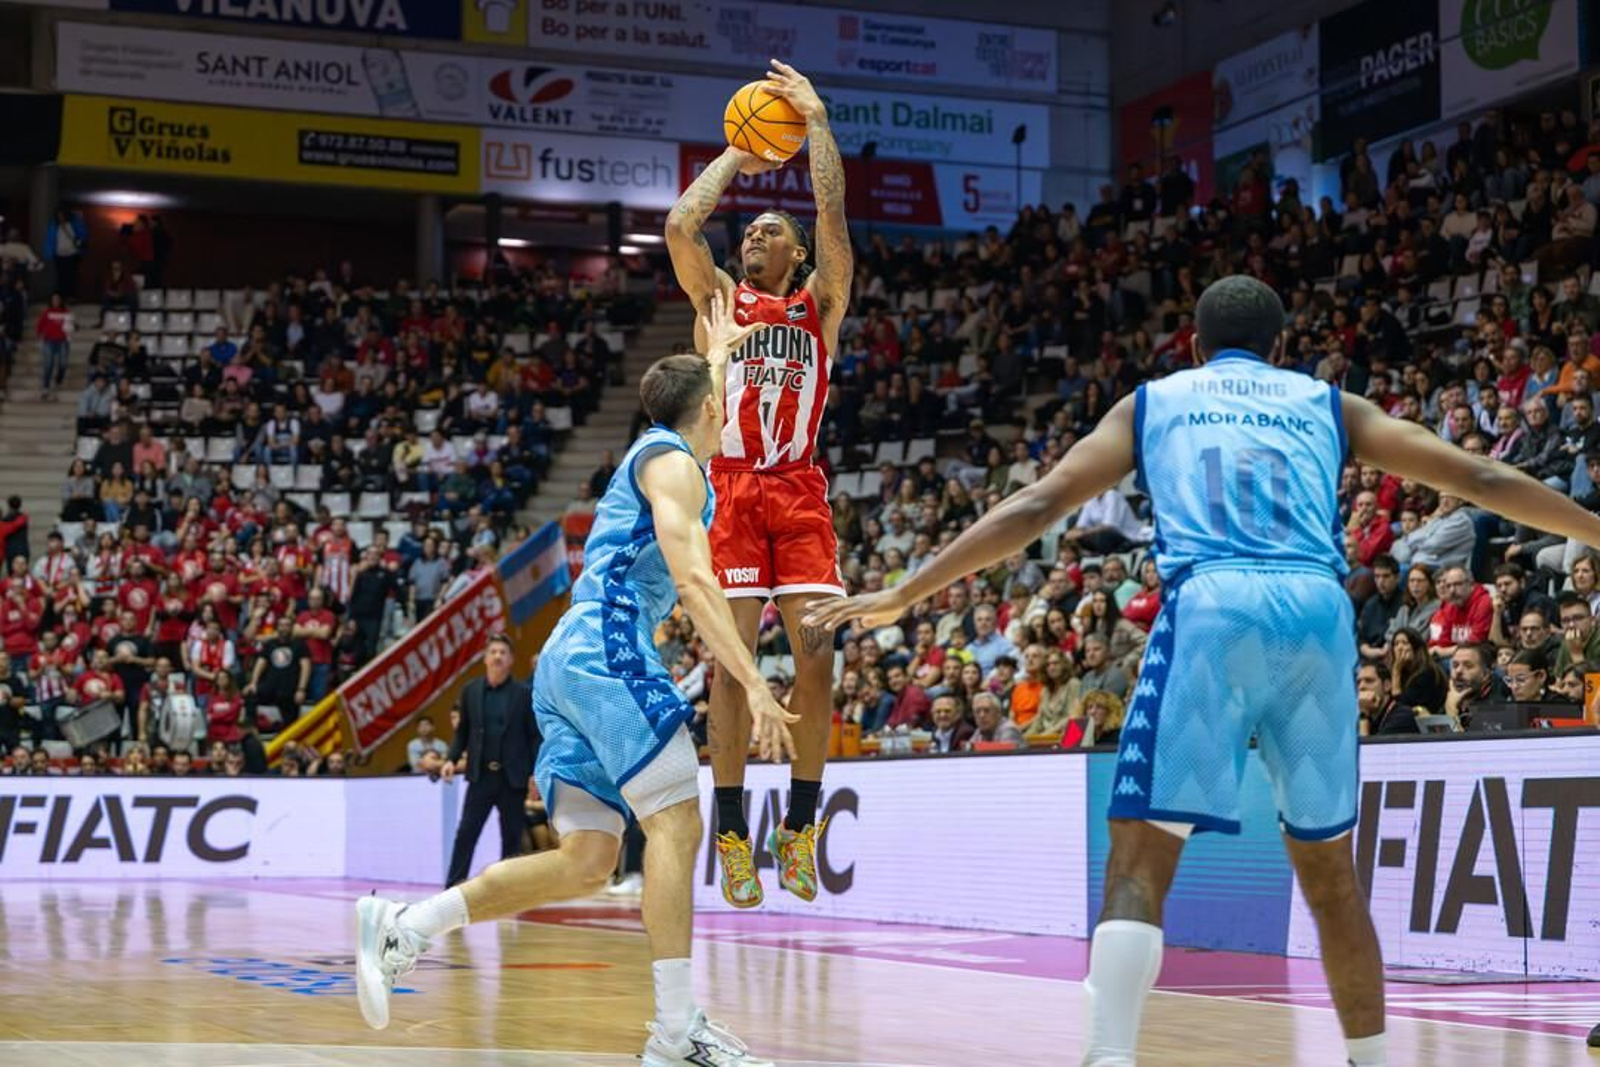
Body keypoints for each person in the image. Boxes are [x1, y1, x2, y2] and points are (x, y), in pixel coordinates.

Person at [807, 275, 1600, 1067]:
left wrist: (908, 591)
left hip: (1214, 603)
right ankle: (1373, 1061)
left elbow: (1037, 506)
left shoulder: (1157, 400)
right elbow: (1484, 479)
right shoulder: (1330, 403)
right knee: (1330, 876)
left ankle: (1110, 1056)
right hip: (1321, 613)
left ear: (1193, 345)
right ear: (1284, 350)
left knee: (1139, 856)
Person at [354, 291, 795, 1067]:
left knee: (589, 857)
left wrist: (721, 350)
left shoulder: (664, 441)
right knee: (676, 822)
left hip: (563, 658)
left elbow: (696, 389)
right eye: (722, 397)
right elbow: (694, 579)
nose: (730, 406)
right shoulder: (673, 463)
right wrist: (752, 680)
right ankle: (675, 1032)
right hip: (608, 647)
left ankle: (408, 926)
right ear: (704, 411)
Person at [665, 60, 851, 908]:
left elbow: (835, 217)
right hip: (735, 487)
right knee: (733, 669)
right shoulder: (723, 303)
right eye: (751, 233)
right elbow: (679, 224)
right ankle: (734, 834)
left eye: (771, 231)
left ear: (799, 252)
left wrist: (812, 123)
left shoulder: (822, 302)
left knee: (818, 659)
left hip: (799, 489)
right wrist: (742, 151)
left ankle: (801, 827)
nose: (754, 239)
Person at [440, 633, 539, 888]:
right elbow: (462, 732)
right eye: (493, 652)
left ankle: (508, 892)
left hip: (512, 779)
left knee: (511, 839)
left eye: (503, 653)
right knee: (466, 834)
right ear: (485, 658)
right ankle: (452, 888)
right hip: (481, 777)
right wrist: (451, 759)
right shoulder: (470, 691)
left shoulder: (523, 694)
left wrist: (535, 774)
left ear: (511, 660)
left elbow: (533, 738)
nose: (497, 656)